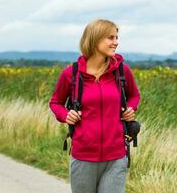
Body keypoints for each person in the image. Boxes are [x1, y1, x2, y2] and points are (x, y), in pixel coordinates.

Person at [49, 19, 140, 193]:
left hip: (116, 156)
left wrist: (130, 108)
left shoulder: (122, 71)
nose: (116, 42)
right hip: (83, 157)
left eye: (116, 37)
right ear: (94, 39)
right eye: (110, 38)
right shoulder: (71, 74)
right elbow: (55, 103)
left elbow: (134, 95)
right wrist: (65, 115)